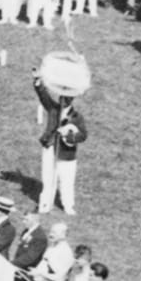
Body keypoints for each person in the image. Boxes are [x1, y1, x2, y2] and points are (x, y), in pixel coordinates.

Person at [33, 74, 84, 216]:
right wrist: (38, 82)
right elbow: (44, 97)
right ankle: (44, 205)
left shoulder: (77, 117)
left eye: (67, 99)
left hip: (66, 153)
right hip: (50, 148)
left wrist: (68, 135)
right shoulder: (53, 109)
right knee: (48, 178)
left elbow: (82, 135)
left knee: (66, 181)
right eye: (62, 97)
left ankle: (68, 206)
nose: (63, 100)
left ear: (71, 100)